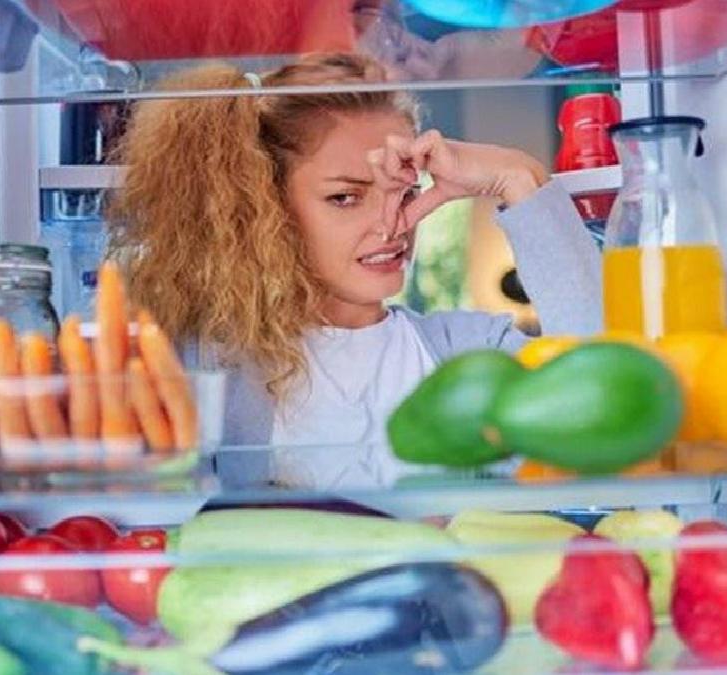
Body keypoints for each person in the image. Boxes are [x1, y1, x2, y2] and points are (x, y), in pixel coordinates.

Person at [109, 52, 601, 461]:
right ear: (263, 206)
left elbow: (605, 392)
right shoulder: (200, 362)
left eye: (405, 193)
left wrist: (514, 177)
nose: (390, 224)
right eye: (345, 197)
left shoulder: (467, 350)